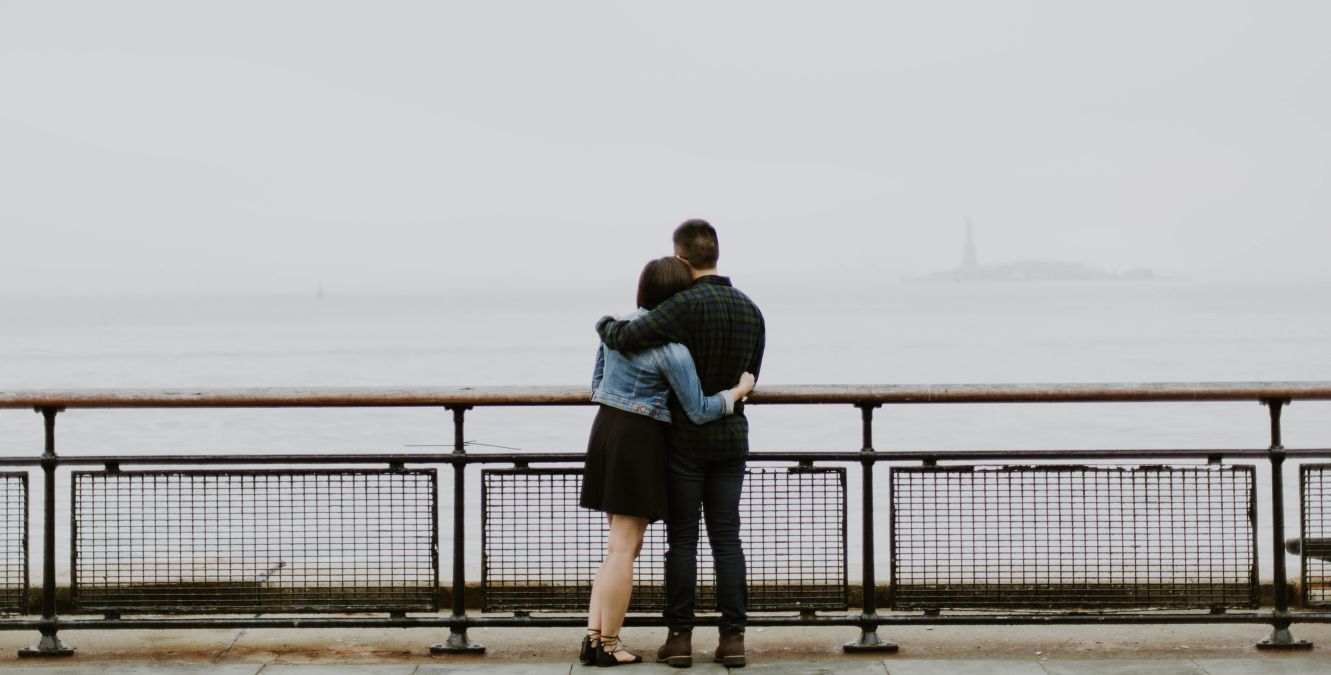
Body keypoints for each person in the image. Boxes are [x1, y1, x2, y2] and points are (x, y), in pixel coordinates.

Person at [597, 219, 765, 669]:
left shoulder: (680, 306)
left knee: (683, 541)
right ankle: (733, 640)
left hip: (684, 442)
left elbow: (627, 337)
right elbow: (752, 377)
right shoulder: (752, 310)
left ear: (680, 258)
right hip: (731, 439)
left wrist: (605, 325)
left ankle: (680, 639)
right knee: (728, 540)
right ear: (716, 254)